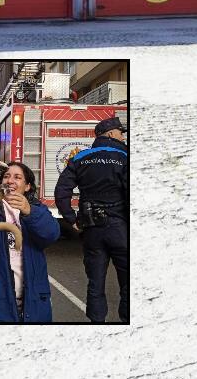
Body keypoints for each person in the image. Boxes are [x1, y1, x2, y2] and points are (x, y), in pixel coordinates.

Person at [54, 117, 129, 323]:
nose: (123, 136)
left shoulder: (80, 158)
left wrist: (70, 218)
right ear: (111, 134)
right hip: (121, 229)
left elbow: (62, 191)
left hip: (92, 229)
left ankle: (97, 324)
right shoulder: (124, 156)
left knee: (95, 284)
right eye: (120, 132)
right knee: (127, 284)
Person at [0, 162, 62, 322]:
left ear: (27, 187)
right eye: (6, 176)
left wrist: (29, 211)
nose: (10, 181)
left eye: (17, 177)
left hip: (33, 300)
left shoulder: (36, 209)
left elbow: (51, 234)